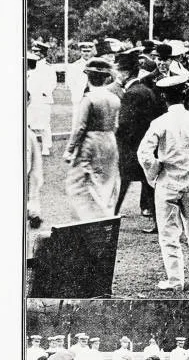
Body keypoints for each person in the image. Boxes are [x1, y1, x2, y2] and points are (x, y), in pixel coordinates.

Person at [137, 72, 189, 292]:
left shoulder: (160, 122)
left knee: (169, 233)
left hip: (167, 184)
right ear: (184, 95)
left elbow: (144, 154)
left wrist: (155, 171)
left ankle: (175, 280)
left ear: (164, 97)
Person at [112, 47, 164, 229]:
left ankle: (110, 216)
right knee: (147, 185)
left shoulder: (132, 93)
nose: (117, 74)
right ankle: (158, 223)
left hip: (132, 147)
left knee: (124, 183)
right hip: (145, 145)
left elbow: (126, 124)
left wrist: (118, 139)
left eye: (119, 71)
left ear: (126, 73)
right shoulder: (144, 90)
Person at [64, 57, 121, 221]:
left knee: (82, 181)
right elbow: (115, 125)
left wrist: (69, 150)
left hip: (91, 141)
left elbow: (80, 127)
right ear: (105, 78)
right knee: (106, 180)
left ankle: (87, 218)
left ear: (88, 77)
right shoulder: (115, 98)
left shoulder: (89, 98)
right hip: (110, 140)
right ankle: (104, 215)